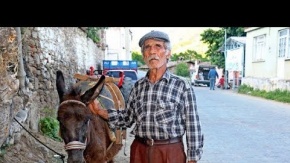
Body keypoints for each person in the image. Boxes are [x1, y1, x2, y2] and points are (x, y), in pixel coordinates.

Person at [95, 30, 204, 163]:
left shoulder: (181, 86)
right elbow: (127, 118)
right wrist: (100, 111)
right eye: (147, 47)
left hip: (170, 152)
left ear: (168, 53)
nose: (152, 51)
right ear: (143, 55)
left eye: (158, 46)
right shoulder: (138, 86)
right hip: (139, 151)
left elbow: (192, 125)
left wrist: (192, 158)